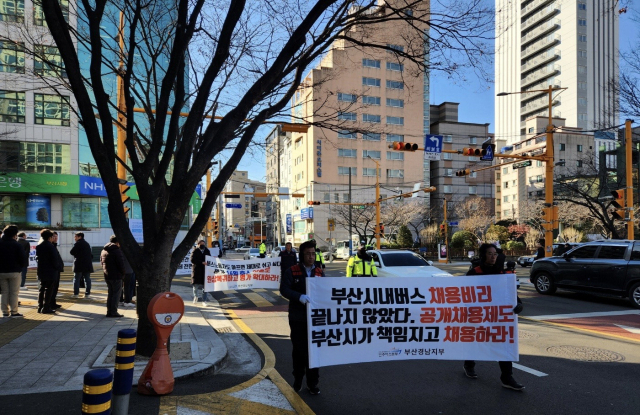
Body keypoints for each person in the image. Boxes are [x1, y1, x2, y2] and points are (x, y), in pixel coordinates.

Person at [464, 243, 524, 391]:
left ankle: (507, 378)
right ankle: (469, 364)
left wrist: (519, 303)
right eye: (490, 253)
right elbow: (465, 294)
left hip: (498, 316)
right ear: (483, 255)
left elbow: (509, 293)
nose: (493, 256)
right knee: (475, 339)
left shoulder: (503, 274)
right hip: (478, 314)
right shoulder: (474, 273)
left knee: (503, 343)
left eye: (495, 254)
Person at [280, 240, 324, 395]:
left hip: (315, 320)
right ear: (302, 255)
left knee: (314, 352)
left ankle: (313, 384)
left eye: (313, 254)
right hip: (298, 318)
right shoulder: (292, 271)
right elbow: (284, 289)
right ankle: (298, 380)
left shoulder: (318, 272)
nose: (311, 257)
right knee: (299, 351)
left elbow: (325, 291)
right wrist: (299, 297)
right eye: (308, 254)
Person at [0, 225, 28, 317]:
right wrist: (20, 266)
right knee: (14, 292)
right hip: (15, 271)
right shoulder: (17, 245)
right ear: (14, 235)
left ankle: (4, 311)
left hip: (1, 271)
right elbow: (23, 259)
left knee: (4, 292)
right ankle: (14, 311)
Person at [36, 229, 63, 314]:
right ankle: (46, 307)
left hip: (41, 271)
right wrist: (58, 267)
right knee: (49, 289)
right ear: (50, 237)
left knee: (42, 289)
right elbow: (54, 260)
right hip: (51, 271)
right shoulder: (51, 246)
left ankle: (40, 306)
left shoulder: (39, 246)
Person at [100, 235, 126, 318]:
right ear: (117, 242)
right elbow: (121, 264)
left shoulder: (104, 250)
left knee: (111, 294)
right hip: (116, 275)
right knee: (116, 294)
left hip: (107, 275)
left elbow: (101, 262)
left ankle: (109, 311)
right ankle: (114, 312)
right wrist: (123, 274)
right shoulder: (116, 251)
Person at [70, 232, 93, 298]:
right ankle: (87, 294)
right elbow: (90, 255)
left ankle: (76, 294)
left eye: (75, 237)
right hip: (87, 264)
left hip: (79, 264)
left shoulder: (78, 244)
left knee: (77, 279)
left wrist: (77, 255)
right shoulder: (87, 244)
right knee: (87, 279)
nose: (75, 238)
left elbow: (72, 252)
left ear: (79, 237)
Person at [190, 240, 211, 305]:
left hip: (205, 271)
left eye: (203, 244)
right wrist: (201, 262)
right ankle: (196, 296)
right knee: (195, 286)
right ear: (198, 244)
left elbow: (210, 259)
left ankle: (204, 300)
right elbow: (192, 260)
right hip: (197, 271)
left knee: (205, 287)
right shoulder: (195, 251)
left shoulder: (207, 251)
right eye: (201, 244)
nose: (202, 245)